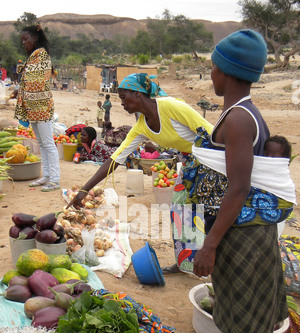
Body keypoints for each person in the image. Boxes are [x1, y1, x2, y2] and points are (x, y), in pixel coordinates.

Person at [192, 30, 294, 333]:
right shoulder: (241, 112)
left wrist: (209, 246)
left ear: (229, 73)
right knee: (235, 304)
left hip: (244, 234)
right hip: (243, 230)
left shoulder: (237, 119)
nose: (211, 73)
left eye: (214, 67)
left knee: (249, 316)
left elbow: (237, 189)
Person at [66, 72, 213, 210]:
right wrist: (84, 190)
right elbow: (115, 160)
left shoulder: (170, 106)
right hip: (191, 163)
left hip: (213, 158)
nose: (122, 103)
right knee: (182, 214)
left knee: (204, 213)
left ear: (137, 93)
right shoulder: (141, 126)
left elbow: (213, 135)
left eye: (123, 97)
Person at [14, 24, 60, 191]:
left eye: (26, 39)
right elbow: (28, 81)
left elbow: (37, 82)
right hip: (33, 108)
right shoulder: (33, 57)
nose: (23, 43)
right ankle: (46, 175)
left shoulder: (42, 57)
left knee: (48, 144)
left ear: (35, 38)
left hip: (42, 107)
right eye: (22, 40)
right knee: (41, 142)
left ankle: (55, 179)